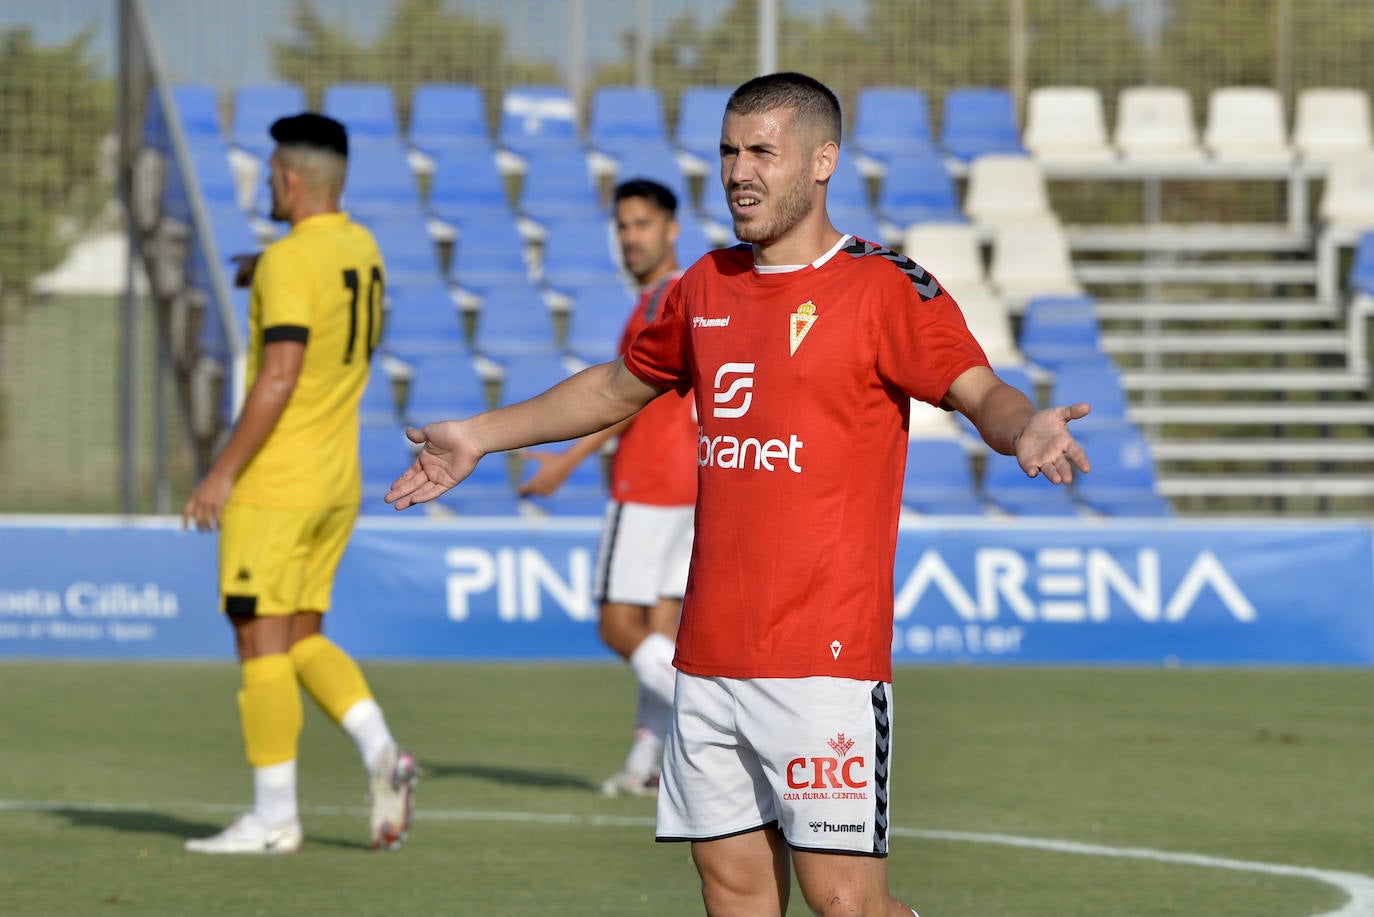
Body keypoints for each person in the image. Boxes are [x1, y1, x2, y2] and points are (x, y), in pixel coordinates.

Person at [387, 73, 1090, 916]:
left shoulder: (885, 286)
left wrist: (1023, 429)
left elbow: (978, 389)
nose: (739, 171)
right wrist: (481, 433)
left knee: (844, 903)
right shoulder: (705, 286)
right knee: (733, 892)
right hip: (709, 656)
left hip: (824, 658)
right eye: (728, 151)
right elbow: (615, 387)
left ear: (823, 161)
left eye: (763, 151)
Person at [182, 112, 417, 855]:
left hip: (276, 484)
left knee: (259, 640)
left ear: (287, 179)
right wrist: (266, 265)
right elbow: (324, 284)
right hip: (335, 479)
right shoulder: (360, 246)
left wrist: (221, 472)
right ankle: (383, 751)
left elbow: (279, 373)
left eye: (272, 178)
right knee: (303, 633)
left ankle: (274, 816)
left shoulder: (290, 263)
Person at [518, 179, 696, 797]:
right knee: (662, 631)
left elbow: (625, 400)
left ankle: (719, 723)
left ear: (672, 229)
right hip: (690, 484)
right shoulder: (683, 297)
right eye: (622, 226)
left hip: (649, 480)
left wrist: (566, 462)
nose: (630, 238)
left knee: (617, 627)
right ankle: (651, 765)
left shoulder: (660, 303)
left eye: (642, 224)